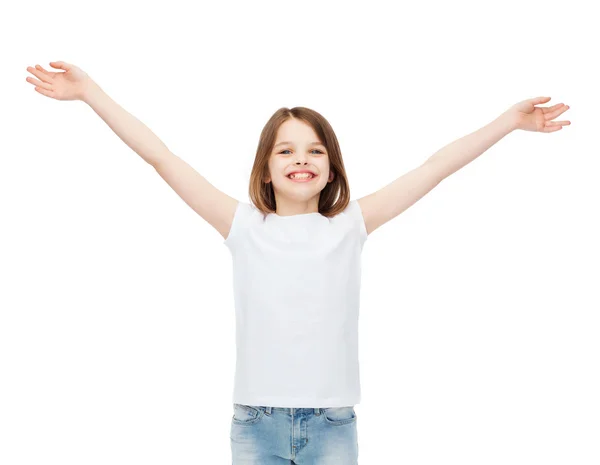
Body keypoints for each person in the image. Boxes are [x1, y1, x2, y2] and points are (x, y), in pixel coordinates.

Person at [25, 60, 571, 465]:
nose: (301, 159)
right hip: (255, 425)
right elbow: (160, 156)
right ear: (265, 169)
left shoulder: (350, 226)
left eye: (314, 150)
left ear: (330, 170)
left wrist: (508, 123)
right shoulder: (242, 226)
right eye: (285, 150)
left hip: (334, 427)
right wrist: (90, 92)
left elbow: (434, 168)